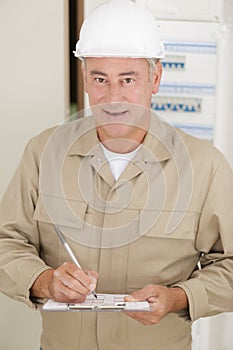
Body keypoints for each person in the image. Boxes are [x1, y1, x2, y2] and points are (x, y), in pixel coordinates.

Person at [0, 1, 233, 349]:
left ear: (155, 78)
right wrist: (44, 280)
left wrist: (179, 297)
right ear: (85, 78)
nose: (113, 98)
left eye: (128, 79)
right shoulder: (43, 153)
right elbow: (6, 242)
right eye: (100, 79)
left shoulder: (205, 166)